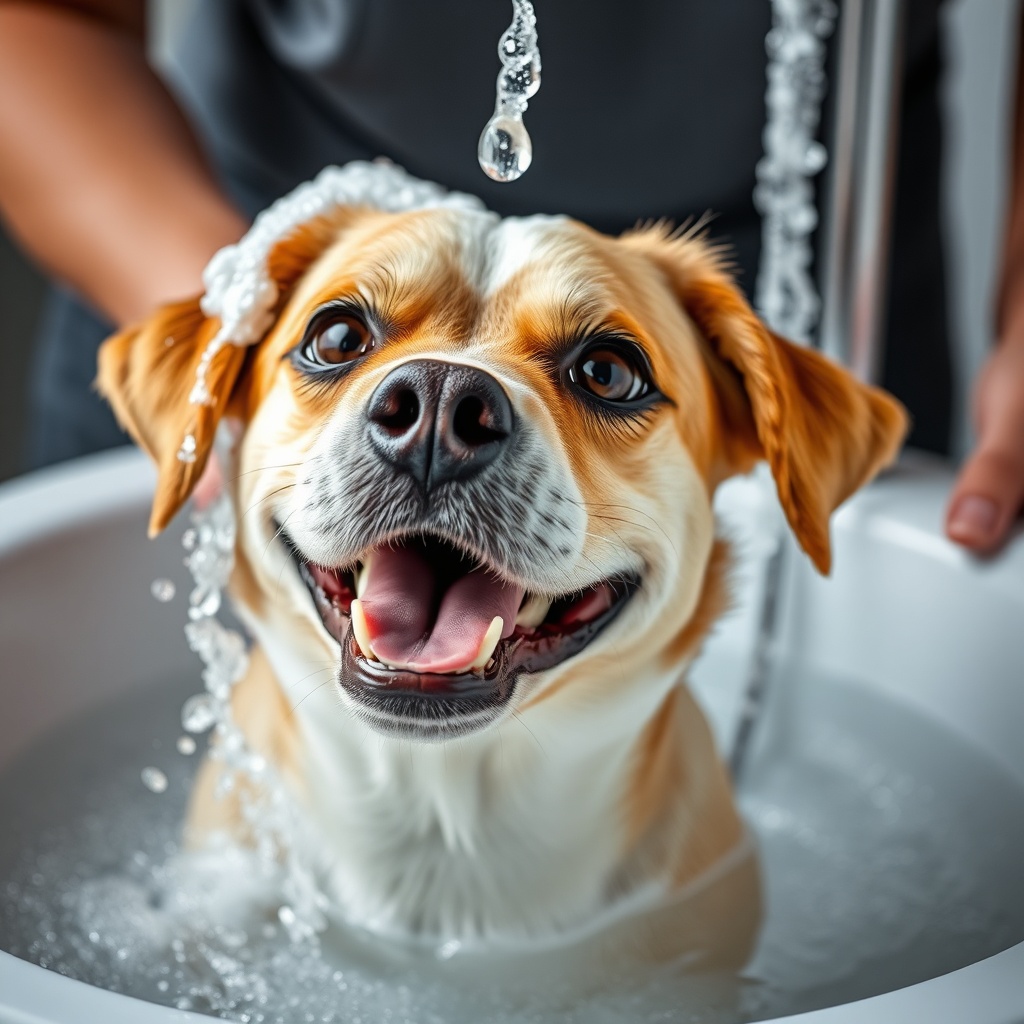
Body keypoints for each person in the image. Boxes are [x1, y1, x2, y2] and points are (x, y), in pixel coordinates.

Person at [0, 0, 1021, 552]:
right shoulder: (256, 330)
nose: (443, 407)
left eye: (603, 371)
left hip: (801, 276)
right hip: (230, 222)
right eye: (352, 343)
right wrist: (248, 325)